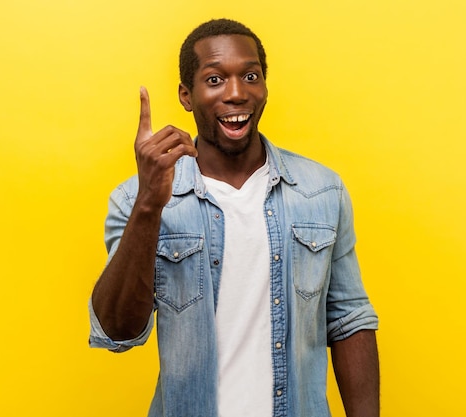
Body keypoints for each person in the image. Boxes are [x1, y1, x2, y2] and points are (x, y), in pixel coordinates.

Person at [89, 18, 379, 417]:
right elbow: (117, 331)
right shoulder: (134, 199)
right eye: (214, 80)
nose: (237, 93)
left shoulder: (321, 191)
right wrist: (149, 205)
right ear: (186, 96)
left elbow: (348, 320)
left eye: (250, 75)